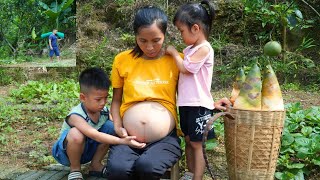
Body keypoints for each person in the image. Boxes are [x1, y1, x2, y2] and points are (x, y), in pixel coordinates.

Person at [106, 6, 182, 180]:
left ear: (165, 35)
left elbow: (194, 92)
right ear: (135, 36)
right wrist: (118, 126)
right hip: (127, 136)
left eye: (156, 40)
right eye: (143, 40)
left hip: (164, 139)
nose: (149, 47)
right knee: (117, 170)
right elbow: (116, 100)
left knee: (147, 168)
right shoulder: (122, 60)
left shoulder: (176, 60)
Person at [166, 1, 230, 180]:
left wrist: (172, 53)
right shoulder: (191, 49)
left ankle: (198, 177)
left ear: (195, 28)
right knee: (188, 140)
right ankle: (190, 172)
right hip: (187, 104)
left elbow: (187, 69)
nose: (180, 35)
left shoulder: (205, 49)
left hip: (198, 105)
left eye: (181, 31)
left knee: (197, 144)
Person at [51, 67, 146, 180]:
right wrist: (122, 141)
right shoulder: (76, 115)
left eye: (106, 98)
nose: (103, 103)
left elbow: (115, 125)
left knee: (111, 127)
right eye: (98, 99)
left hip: (87, 150)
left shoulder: (103, 111)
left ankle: (95, 165)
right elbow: (94, 135)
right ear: (83, 97)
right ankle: (75, 169)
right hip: (66, 153)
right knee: (76, 133)